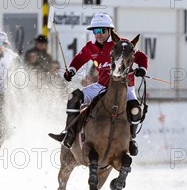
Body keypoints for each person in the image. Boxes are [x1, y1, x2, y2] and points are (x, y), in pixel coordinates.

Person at [48, 13, 149, 155]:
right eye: (96, 31)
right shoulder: (91, 47)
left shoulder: (121, 44)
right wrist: (71, 70)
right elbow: (79, 58)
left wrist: (142, 69)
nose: (99, 34)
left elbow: (141, 57)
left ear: (109, 31)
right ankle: (69, 134)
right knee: (74, 98)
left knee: (135, 110)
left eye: (102, 30)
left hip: (124, 88)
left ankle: (131, 140)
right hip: (101, 87)